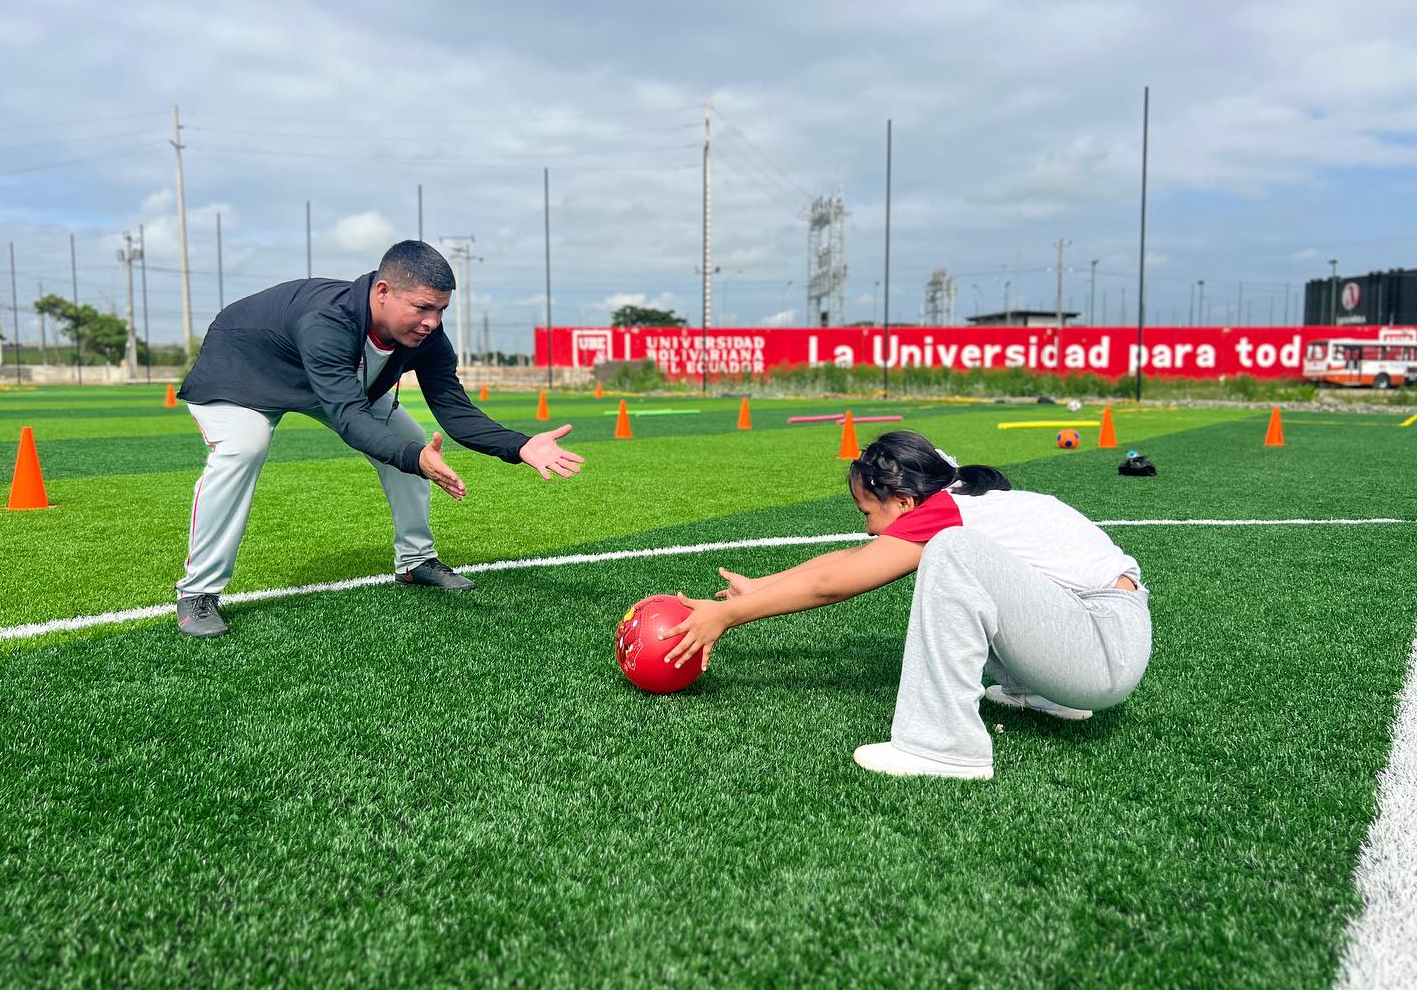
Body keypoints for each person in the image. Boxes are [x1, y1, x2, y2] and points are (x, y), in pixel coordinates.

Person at [660, 430, 1151, 780]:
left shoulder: (948, 516)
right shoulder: (958, 500)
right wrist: (761, 587)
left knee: (953, 553)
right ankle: (1034, 693)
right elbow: (855, 559)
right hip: (1092, 641)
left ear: (902, 503)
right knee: (962, 554)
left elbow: (833, 585)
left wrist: (727, 616)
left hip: (1100, 651)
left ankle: (945, 746)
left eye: (867, 512)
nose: (868, 527)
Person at [174, 240, 583, 639]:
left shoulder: (427, 337)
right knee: (245, 447)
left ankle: (415, 561)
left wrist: (520, 445)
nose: (432, 322)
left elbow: (454, 410)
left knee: (409, 436)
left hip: (329, 379)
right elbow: (349, 418)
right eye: (422, 307)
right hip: (244, 369)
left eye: (441, 309)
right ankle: (197, 592)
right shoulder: (326, 322)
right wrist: (414, 458)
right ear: (383, 292)